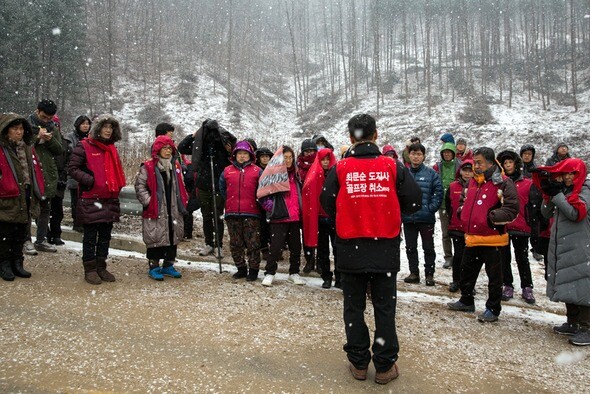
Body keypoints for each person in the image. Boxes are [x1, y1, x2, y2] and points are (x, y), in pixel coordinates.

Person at [321, 114, 421, 385]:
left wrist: (350, 212)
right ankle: (385, 365)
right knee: (384, 308)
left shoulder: (340, 168)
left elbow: (327, 202)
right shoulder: (392, 166)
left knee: (353, 307)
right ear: (376, 135)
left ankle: (359, 363)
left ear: (351, 138)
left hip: (349, 247)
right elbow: (413, 201)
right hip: (385, 248)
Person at [447, 147, 519, 322]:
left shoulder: (503, 182)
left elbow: (512, 209)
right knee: (466, 272)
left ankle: (493, 309)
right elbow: (464, 200)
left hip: (493, 239)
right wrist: (462, 214)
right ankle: (466, 301)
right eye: (475, 162)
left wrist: (490, 218)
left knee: (494, 278)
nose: (476, 166)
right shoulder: (472, 181)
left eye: (479, 162)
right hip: (472, 238)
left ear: (490, 162)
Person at [534, 158, 590, 346]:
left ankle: (587, 328)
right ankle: (573, 322)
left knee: (582, 285)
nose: (567, 177)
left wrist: (558, 195)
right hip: (564, 245)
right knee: (568, 282)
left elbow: (575, 213)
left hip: (581, 246)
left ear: (579, 174)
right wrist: (548, 194)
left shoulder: (585, 190)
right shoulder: (566, 191)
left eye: (571, 173)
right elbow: (545, 213)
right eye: (564, 173)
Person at [68, 114, 125, 285]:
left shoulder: (112, 148)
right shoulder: (84, 146)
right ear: (98, 128)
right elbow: (72, 168)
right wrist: (90, 180)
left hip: (110, 197)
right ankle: (90, 269)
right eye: (105, 127)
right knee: (91, 236)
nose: (108, 131)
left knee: (105, 236)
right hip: (91, 197)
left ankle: (101, 266)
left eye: (111, 128)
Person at [177, 119, 236, 256]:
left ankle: (218, 245)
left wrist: (224, 138)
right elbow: (181, 148)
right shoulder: (200, 145)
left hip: (219, 185)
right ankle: (209, 244)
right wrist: (193, 135)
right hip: (203, 185)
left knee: (218, 216)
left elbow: (234, 148)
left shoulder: (222, 144)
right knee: (206, 216)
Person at [135, 135, 188, 281]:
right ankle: (154, 266)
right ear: (157, 150)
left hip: (173, 208)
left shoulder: (175, 166)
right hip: (156, 208)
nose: (167, 151)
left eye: (169, 148)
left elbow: (181, 186)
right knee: (156, 236)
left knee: (172, 236)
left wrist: (183, 200)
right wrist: (149, 201)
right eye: (164, 148)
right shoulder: (148, 166)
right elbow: (140, 186)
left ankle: (168, 265)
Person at [0, 113, 45, 281]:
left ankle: (17, 262)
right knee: (5, 233)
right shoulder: (2, 149)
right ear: (6, 130)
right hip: (7, 196)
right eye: (15, 129)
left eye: (20, 129)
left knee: (21, 232)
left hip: (24, 195)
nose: (19, 132)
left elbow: (34, 171)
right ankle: (4, 264)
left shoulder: (26, 147)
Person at [497, 150, 540, 304]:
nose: (508, 165)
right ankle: (507, 284)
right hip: (503, 226)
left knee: (522, 258)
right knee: (504, 258)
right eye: (505, 163)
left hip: (521, 226)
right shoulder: (499, 182)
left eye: (510, 162)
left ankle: (527, 287)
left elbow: (533, 205)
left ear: (516, 164)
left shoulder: (527, 183)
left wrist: (533, 223)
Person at [259, 146, 303, 287]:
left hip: (295, 217)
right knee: (275, 248)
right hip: (279, 217)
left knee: (296, 247)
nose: (288, 160)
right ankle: (270, 273)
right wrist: (272, 208)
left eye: (290, 157)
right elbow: (261, 194)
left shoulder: (297, 175)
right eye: (285, 158)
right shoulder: (272, 174)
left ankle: (294, 273)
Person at [219, 141, 263, 282]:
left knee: (253, 243)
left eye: (245, 154)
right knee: (235, 243)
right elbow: (222, 189)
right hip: (232, 213)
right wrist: (231, 202)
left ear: (250, 155)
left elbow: (262, 191)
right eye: (239, 154)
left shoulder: (257, 171)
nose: (242, 156)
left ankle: (254, 269)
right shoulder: (227, 171)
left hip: (252, 213)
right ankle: (241, 268)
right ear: (235, 155)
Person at [402, 143, 443, 286]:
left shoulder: (431, 174)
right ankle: (414, 273)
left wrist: (430, 208)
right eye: (413, 154)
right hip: (408, 218)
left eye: (419, 154)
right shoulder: (404, 173)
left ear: (423, 156)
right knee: (410, 247)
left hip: (426, 218)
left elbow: (438, 193)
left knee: (428, 248)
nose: (416, 157)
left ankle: (429, 274)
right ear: (409, 155)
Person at [27, 99, 63, 253]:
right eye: (44, 117)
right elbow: (20, 145)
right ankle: (25, 240)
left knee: (45, 207)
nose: (47, 120)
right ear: (37, 111)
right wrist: (36, 136)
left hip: (47, 172)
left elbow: (59, 149)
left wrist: (49, 139)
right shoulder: (25, 124)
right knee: (27, 208)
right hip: (30, 170)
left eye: (49, 118)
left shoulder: (53, 128)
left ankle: (41, 240)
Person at [302, 148, 337, 289]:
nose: (326, 162)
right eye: (323, 159)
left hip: (335, 218)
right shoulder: (314, 174)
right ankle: (326, 276)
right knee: (323, 250)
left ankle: (339, 276)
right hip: (321, 218)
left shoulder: (337, 173)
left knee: (338, 249)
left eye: (328, 159)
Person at [445, 159, 474, 292]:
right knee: (458, 256)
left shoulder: (477, 186)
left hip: (472, 228)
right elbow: (448, 206)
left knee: (471, 258)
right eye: (465, 170)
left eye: (470, 171)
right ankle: (456, 280)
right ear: (460, 171)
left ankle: (468, 283)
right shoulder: (453, 186)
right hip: (457, 227)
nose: (467, 174)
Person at [433, 140, 462, 269]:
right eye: (444, 152)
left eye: (449, 152)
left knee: (459, 232)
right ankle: (448, 257)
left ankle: (460, 256)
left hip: (458, 204)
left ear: (453, 153)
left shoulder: (460, 166)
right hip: (443, 204)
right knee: (446, 233)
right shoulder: (438, 167)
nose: (446, 155)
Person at [64, 115, 91, 233]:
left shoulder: (92, 138)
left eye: (87, 124)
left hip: (87, 173)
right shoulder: (70, 138)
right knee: (76, 199)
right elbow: (70, 155)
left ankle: (85, 221)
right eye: (83, 124)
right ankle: (77, 222)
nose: (85, 126)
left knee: (86, 200)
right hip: (74, 173)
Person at [297, 139, 318, 273]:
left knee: (319, 233)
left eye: (312, 151)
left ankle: (320, 261)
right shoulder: (298, 166)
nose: (309, 153)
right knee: (306, 234)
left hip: (317, 203)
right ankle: (309, 260)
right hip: (302, 204)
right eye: (307, 151)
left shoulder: (320, 164)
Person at [520, 144, 544, 262]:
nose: (527, 156)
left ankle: (535, 249)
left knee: (535, 227)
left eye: (529, 154)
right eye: (525, 154)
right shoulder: (518, 168)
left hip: (534, 200)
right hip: (522, 201)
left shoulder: (536, 169)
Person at [47, 114, 67, 245]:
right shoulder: (41, 141)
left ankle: (56, 234)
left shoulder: (64, 142)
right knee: (44, 210)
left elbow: (68, 161)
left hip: (59, 180)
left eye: (57, 125)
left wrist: (63, 175)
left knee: (57, 211)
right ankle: (45, 234)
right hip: (46, 178)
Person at [255, 147, 273, 258]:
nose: (265, 159)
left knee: (272, 225)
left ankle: (274, 247)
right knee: (262, 227)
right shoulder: (256, 170)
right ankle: (264, 248)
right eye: (263, 156)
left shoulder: (274, 169)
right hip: (259, 200)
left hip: (272, 199)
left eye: (267, 156)